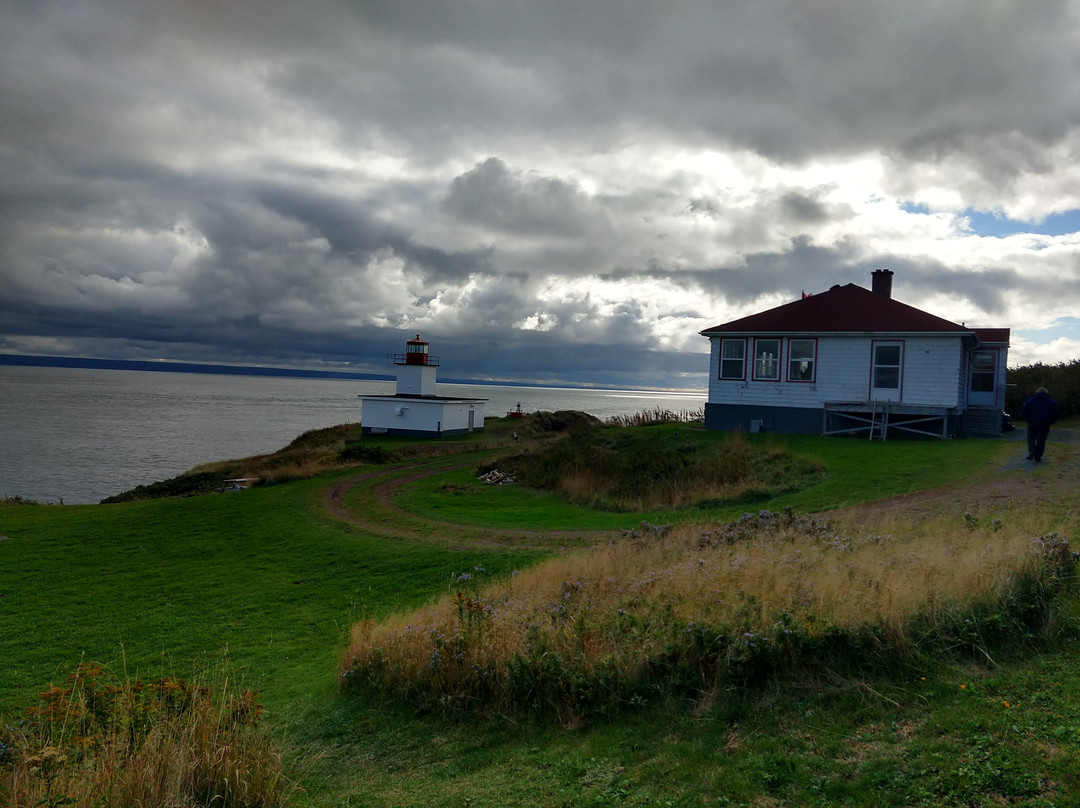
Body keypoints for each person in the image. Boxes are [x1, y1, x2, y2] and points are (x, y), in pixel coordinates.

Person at [1020, 386, 1061, 463]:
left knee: (1031, 437)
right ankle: (1038, 456)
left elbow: (1024, 411)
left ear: (1037, 392)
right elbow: (1056, 413)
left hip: (1033, 421)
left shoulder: (1030, 400)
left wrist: (1027, 419)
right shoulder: (1052, 402)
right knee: (1041, 440)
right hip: (1045, 423)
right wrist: (1052, 421)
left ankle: (1032, 451)